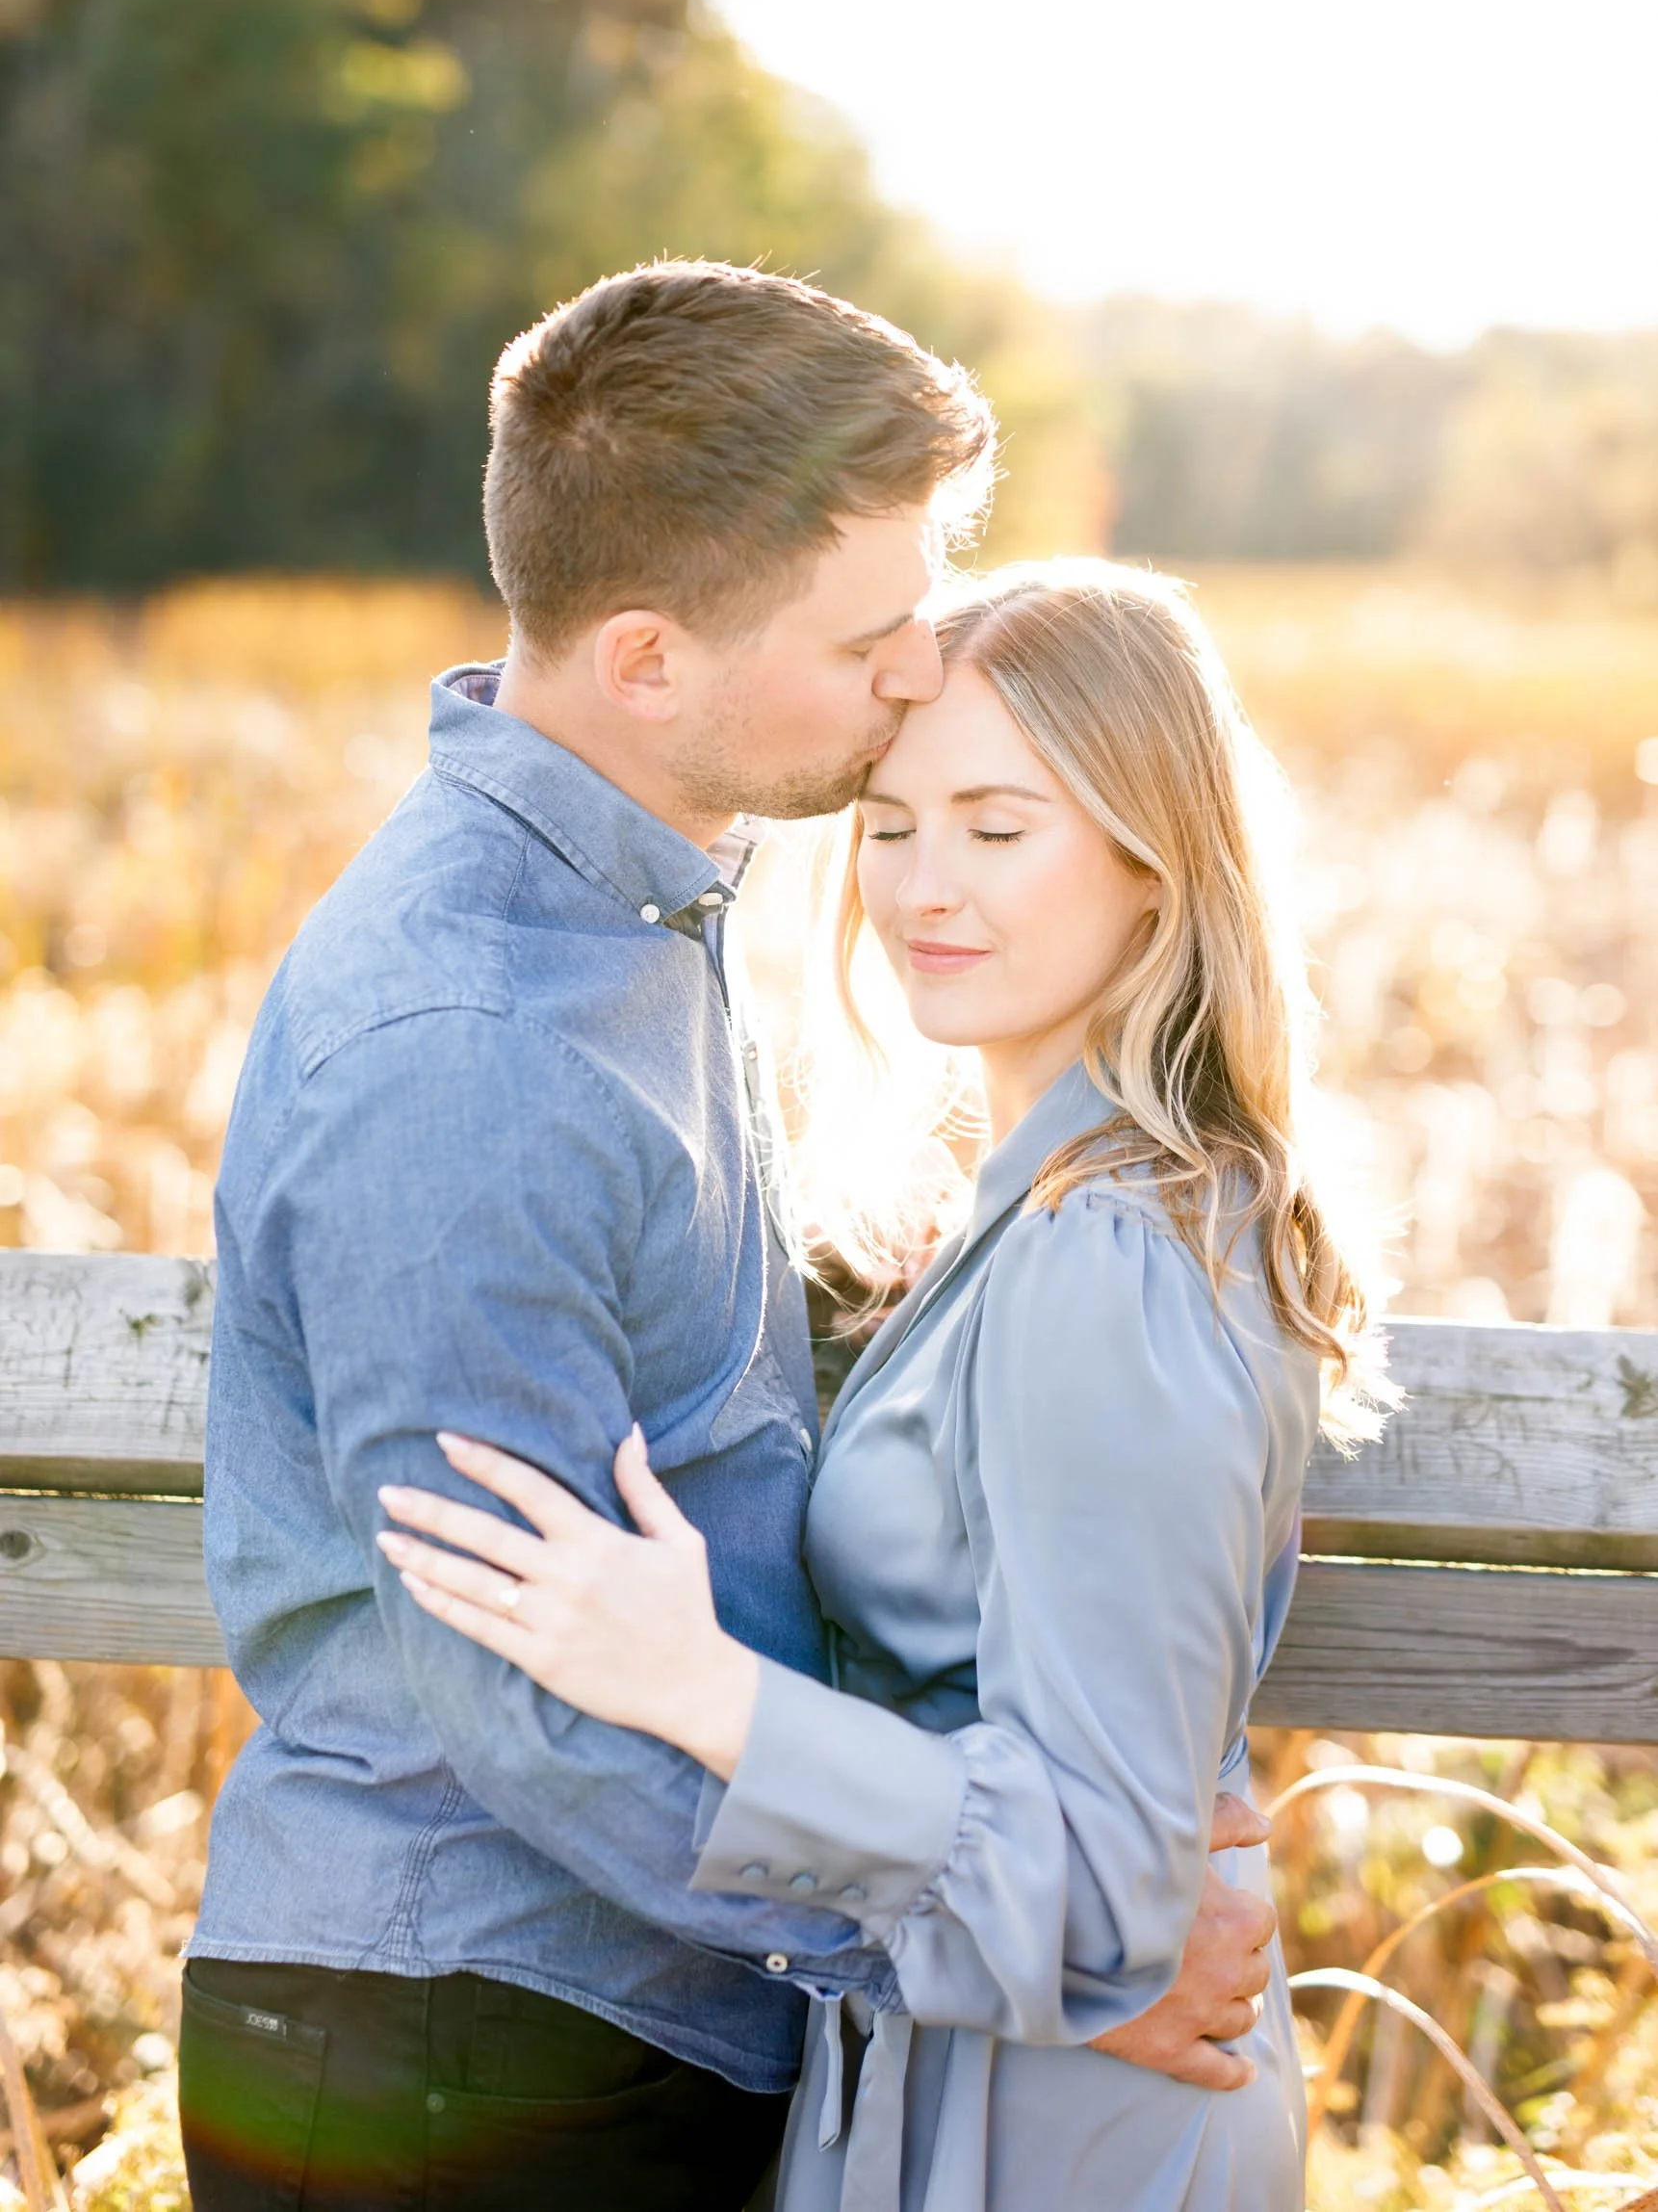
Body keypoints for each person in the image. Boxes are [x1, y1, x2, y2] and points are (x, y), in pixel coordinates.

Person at [181, 271, 1279, 2212]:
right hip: (475, 2047)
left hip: (603, 2021)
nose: (918, 663)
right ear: (647, 659)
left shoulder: (628, 930)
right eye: (871, 631)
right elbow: (516, 1686)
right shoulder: (479, 1042)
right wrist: (1040, 1955)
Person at [376, 561, 1390, 2211]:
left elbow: (1106, 1888)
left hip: (1063, 2127)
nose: (925, 885)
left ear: (1155, 861)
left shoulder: (1110, 1257)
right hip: (980, 2056)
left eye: (998, 828)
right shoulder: (1025, 1217)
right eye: (893, 824)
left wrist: (692, 1684)